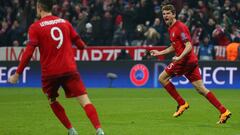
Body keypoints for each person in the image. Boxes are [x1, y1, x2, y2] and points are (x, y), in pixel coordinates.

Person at [8, 0, 105, 135]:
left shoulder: (35, 27)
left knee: (52, 100)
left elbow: (28, 53)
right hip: (69, 69)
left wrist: (17, 74)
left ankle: (71, 131)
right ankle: (99, 129)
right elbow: (81, 46)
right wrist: (83, 42)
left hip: (50, 73)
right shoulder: (65, 23)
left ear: (39, 8)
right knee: (84, 100)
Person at [150, 3, 231, 124]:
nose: (165, 16)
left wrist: (179, 57)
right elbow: (174, 46)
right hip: (190, 61)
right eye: (164, 14)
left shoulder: (180, 27)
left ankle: (182, 103)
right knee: (201, 89)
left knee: (162, 78)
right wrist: (159, 52)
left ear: (174, 14)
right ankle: (224, 111)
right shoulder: (171, 28)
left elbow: (189, 45)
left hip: (185, 61)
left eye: (168, 13)